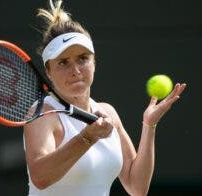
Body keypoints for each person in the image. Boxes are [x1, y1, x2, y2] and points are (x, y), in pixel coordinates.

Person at [23, 0, 187, 195]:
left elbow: (137, 187)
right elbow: (41, 177)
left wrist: (149, 124)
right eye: (63, 62)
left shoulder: (108, 112)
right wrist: (87, 137)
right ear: (48, 72)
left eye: (83, 58)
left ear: (94, 62)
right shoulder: (43, 114)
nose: (75, 70)